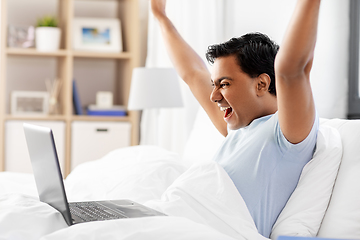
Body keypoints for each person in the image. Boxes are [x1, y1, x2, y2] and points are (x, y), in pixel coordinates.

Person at [150, 0, 321, 237]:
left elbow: (293, 70)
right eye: (214, 85)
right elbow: (192, 73)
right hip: (173, 219)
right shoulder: (237, 129)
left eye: (225, 84)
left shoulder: (285, 133)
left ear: (261, 84)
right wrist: (160, 17)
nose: (213, 96)